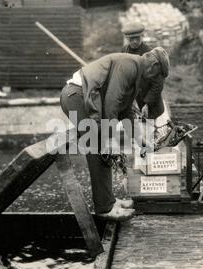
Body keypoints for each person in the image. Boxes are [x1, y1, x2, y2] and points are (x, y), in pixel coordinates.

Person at [59, 47, 169, 221]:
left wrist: (141, 141)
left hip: (83, 97)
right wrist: (108, 139)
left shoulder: (136, 73)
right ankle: (104, 208)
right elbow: (111, 103)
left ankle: (109, 200)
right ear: (153, 66)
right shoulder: (129, 65)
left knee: (103, 148)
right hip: (76, 96)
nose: (155, 81)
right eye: (158, 76)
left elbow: (126, 112)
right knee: (97, 146)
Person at [122, 22, 165, 120]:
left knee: (149, 132)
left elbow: (158, 84)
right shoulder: (124, 51)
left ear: (142, 36)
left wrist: (148, 104)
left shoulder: (150, 55)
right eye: (131, 39)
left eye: (137, 38)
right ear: (127, 39)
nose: (134, 41)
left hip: (151, 104)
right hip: (135, 102)